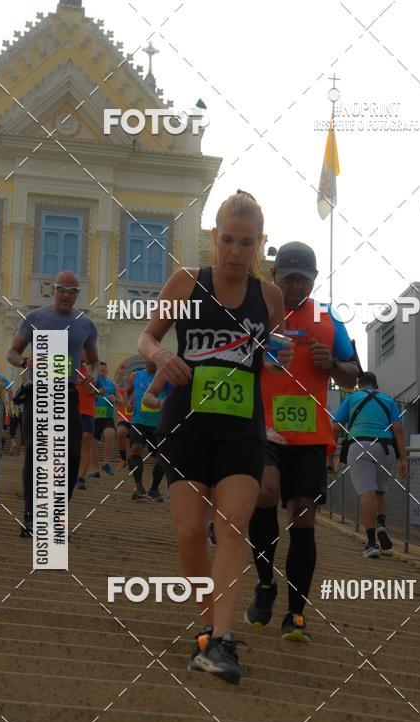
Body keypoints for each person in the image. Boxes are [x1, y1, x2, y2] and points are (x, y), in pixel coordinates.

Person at [139, 190, 291, 685]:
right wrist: (162, 359)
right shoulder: (187, 283)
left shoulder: (269, 298)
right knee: (188, 531)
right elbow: (148, 337)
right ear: (214, 237)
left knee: (232, 526)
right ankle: (208, 626)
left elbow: (272, 354)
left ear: (259, 244)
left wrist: (277, 358)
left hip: (241, 425)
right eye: (227, 239)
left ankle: (221, 639)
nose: (235, 251)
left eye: (246, 243)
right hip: (186, 420)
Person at [245, 241, 358, 641]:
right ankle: (264, 583)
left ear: (313, 281)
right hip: (263, 426)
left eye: (304, 280)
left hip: (310, 434)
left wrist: (334, 364)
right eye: (290, 278)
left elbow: (353, 375)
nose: (296, 288)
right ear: (275, 276)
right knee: (264, 492)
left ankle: (295, 613)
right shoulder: (256, 311)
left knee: (304, 515)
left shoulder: (328, 320)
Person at [6, 271, 99, 536]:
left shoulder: (86, 324)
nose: (67, 295)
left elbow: (93, 360)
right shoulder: (35, 318)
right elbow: (12, 353)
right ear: (52, 290)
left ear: (78, 295)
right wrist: (27, 362)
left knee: (72, 455)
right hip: (38, 391)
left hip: (67, 391)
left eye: (73, 291)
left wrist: (92, 374)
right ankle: (31, 518)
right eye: (62, 289)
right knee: (37, 454)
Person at [333, 371, 407, 558]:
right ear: (376, 386)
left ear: (359, 385)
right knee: (381, 490)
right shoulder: (388, 400)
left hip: (360, 445)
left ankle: (372, 543)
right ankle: (381, 524)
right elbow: (398, 429)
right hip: (386, 448)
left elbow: (336, 426)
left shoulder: (352, 397)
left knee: (367, 492)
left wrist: (330, 454)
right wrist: (403, 459)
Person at [128, 360, 168, 501]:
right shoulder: (135, 376)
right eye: (149, 359)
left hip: (159, 423)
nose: (152, 362)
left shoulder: (164, 377)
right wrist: (129, 402)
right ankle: (138, 487)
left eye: (154, 360)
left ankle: (154, 489)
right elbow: (129, 391)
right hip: (139, 421)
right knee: (135, 449)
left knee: (161, 457)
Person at [76, 358, 103, 489]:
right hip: (68, 407)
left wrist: (95, 390)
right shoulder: (66, 364)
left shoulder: (93, 370)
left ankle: (81, 477)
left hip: (87, 409)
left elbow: (103, 388)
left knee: (86, 439)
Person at [89, 361, 118, 477]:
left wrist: (114, 398)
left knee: (110, 434)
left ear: (107, 372)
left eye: (103, 371)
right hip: (93, 416)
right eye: (99, 371)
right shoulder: (91, 385)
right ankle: (96, 469)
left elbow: (121, 401)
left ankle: (105, 463)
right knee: (93, 443)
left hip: (107, 417)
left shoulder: (112, 384)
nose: (101, 373)